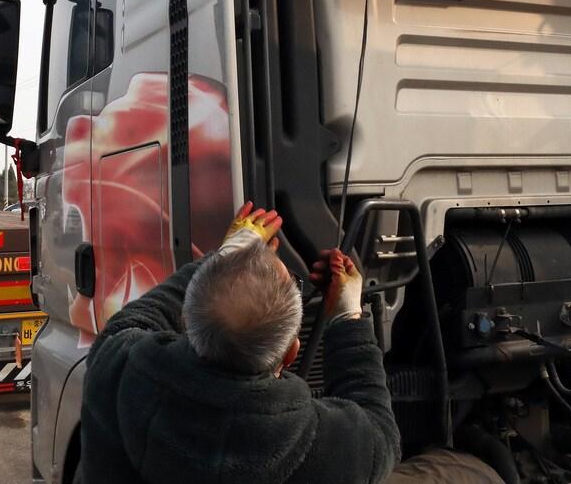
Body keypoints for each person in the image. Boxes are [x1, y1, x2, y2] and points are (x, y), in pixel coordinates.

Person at [80, 204, 498, 484]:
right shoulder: (318, 445)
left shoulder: (116, 372)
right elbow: (381, 435)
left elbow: (135, 319)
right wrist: (349, 316)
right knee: (468, 471)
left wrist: (227, 256)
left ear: (189, 321)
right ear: (290, 354)